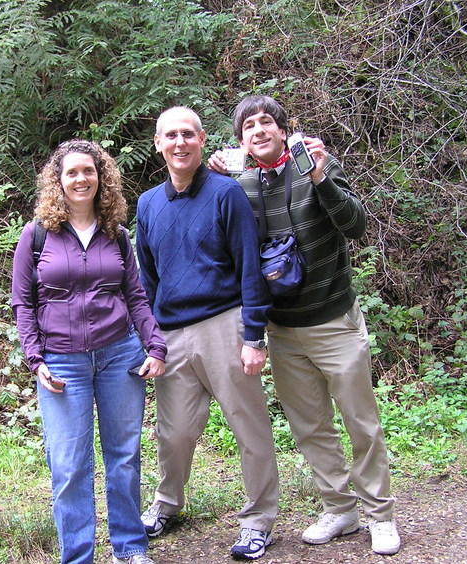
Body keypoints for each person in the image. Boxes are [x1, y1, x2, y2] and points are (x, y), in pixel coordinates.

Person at [208, 95, 401, 556]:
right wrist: (210, 180)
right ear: (240, 141)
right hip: (282, 330)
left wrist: (320, 177)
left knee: (361, 423)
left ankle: (381, 515)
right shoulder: (240, 186)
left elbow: (356, 225)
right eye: (249, 126)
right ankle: (339, 509)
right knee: (310, 426)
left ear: (283, 128)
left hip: (333, 320)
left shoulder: (316, 165)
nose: (259, 130)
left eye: (266, 122)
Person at [11, 139, 166, 564]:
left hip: (120, 355)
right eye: (72, 172)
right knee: (69, 467)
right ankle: (77, 556)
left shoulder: (116, 235)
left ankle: (130, 548)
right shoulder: (37, 234)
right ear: (57, 181)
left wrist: (154, 344)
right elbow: (23, 302)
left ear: (102, 179)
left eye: (89, 171)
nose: (81, 179)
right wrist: (36, 359)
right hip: (62, 362)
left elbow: (135, 295)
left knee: (124, 457)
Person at [135, 106, 279, 561]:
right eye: (170, 136)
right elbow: (148, 280)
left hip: (225, 325)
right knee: (173, 433)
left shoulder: (226, 194)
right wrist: (153, 337)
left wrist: (253, 336)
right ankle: (166, 505)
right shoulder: (148, 204)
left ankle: (258, 522)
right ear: (158, 144)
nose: (179, 143)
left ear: (201, 140)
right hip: (172, 335)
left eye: (188, 135)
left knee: (248, 425)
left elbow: (249, 265)